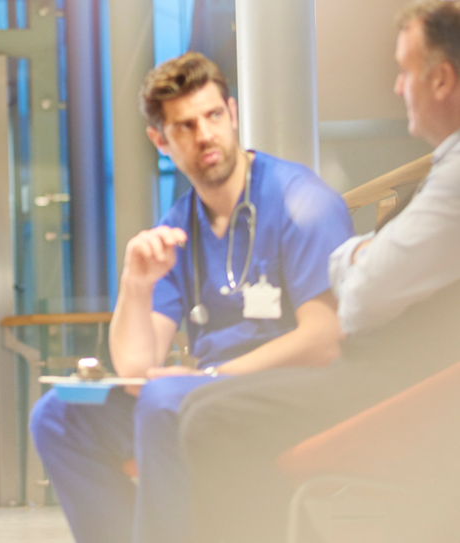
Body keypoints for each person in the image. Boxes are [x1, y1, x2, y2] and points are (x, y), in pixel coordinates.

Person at [29, 52, 355, 543]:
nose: (205, 135)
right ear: (160, 140)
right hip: (199, 397)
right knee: (56, 417)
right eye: (184, 126)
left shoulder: (299, 200)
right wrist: (135, 283)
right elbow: (138, 364)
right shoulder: (177, 227)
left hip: (288, 393)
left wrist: (208, 378)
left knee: (165, 399)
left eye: (213, 116)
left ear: (233, 113)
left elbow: (325, 338)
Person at [179, 2, 460, 541]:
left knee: (212, 419)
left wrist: (357, 259)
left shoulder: (446, 181)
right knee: (199, 407)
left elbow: (356, 302)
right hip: (397, 369)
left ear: (442, 79)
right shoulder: (183, 224)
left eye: (404, 71)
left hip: (409, 383)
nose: (398, 87)